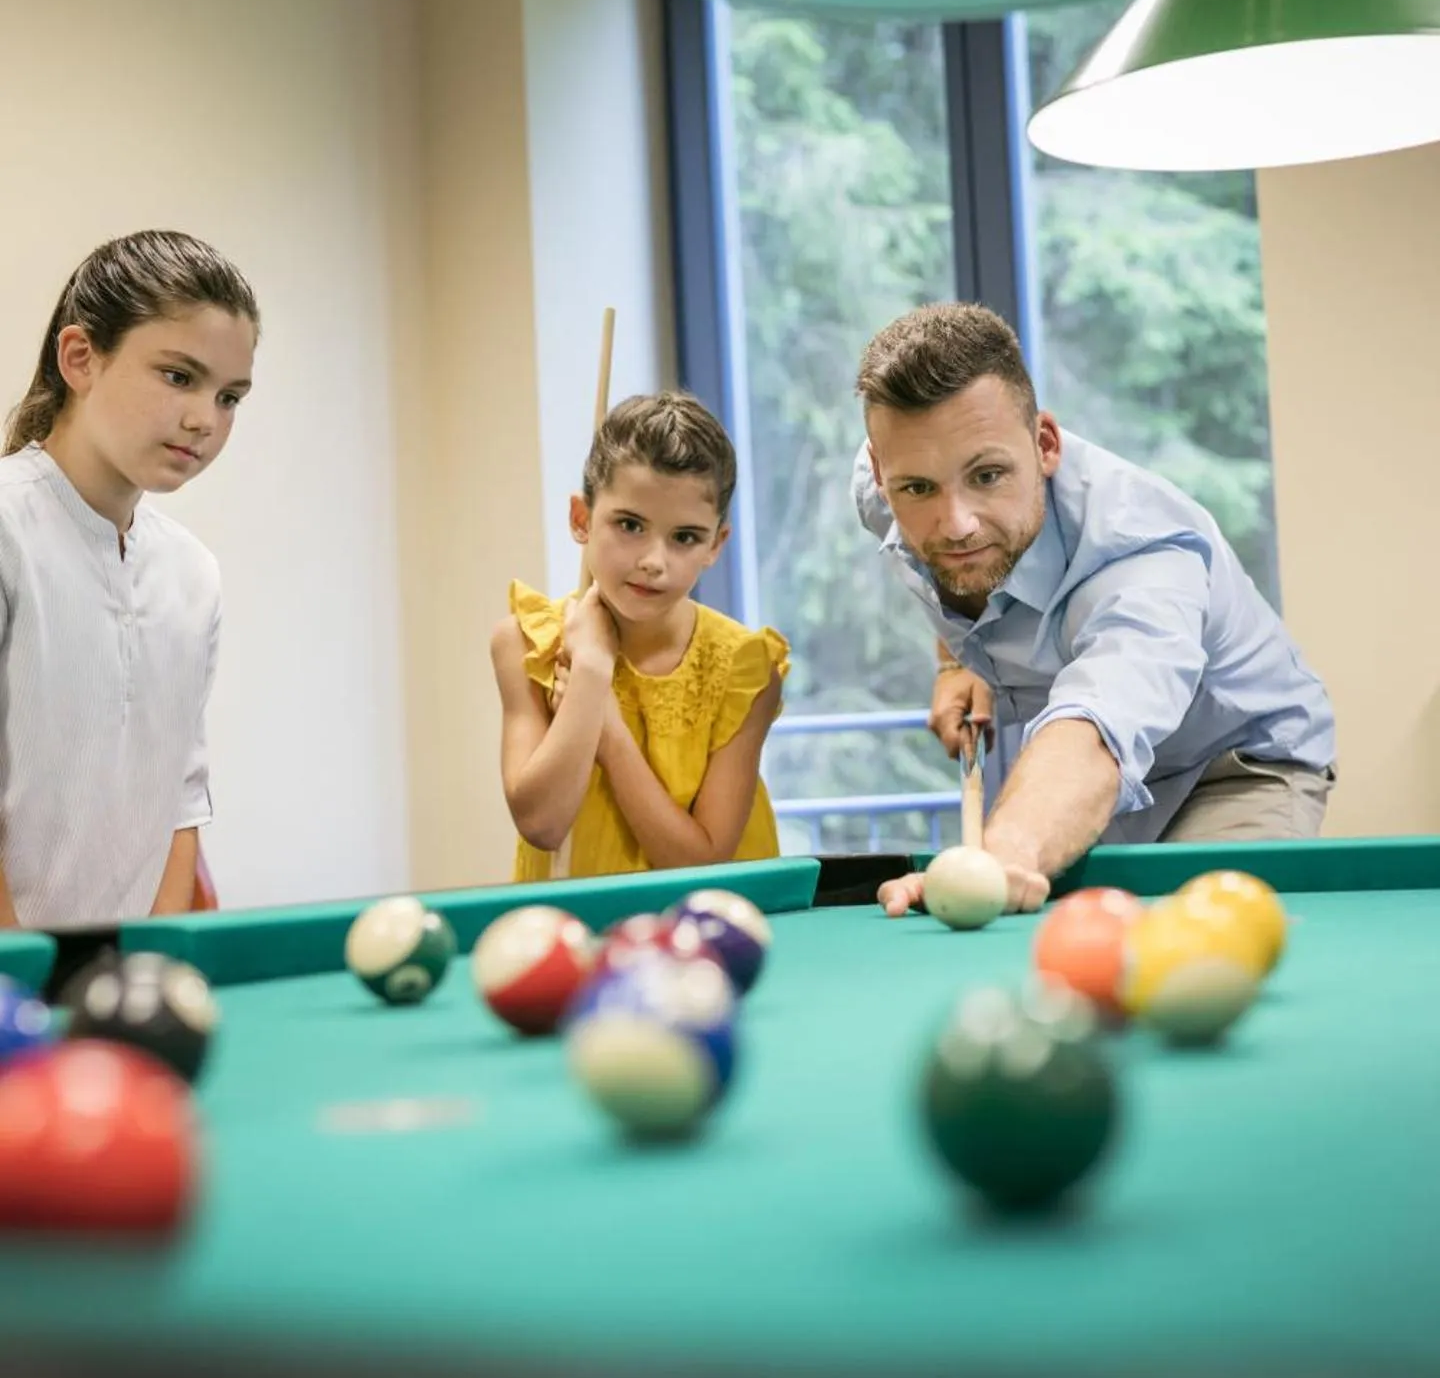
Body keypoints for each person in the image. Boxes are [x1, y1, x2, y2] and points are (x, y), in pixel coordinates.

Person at [853, 303, 1334, 917]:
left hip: (1234, 763)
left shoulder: (1142, 554)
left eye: (988, 475)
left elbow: (1096, 728)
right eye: (918, 488)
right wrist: (957, 663)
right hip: (1082, 780)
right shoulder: (881, 488)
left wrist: (996, 860)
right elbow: (942, 563)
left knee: (1192, 949)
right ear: (878, 469)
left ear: (1045, 443)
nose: (957, 523)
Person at [0, 230, 259, 929]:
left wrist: (148, 966)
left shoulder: (192, 573)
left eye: (230, 396)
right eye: (178, 376)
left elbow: (180, 797)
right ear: (80, 358)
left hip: (113, 990)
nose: (204, 419)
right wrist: (20, 981)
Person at [493, 392, 787, 879]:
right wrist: (589, 669)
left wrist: (608, 732)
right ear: (581, 519)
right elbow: (541, 823)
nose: (654, 561)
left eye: (685, 537)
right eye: (630, 524)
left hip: (706, 935)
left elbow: (701, 862)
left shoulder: (746, 669)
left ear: (716, 544)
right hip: (573, 938)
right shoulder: (527, 645)